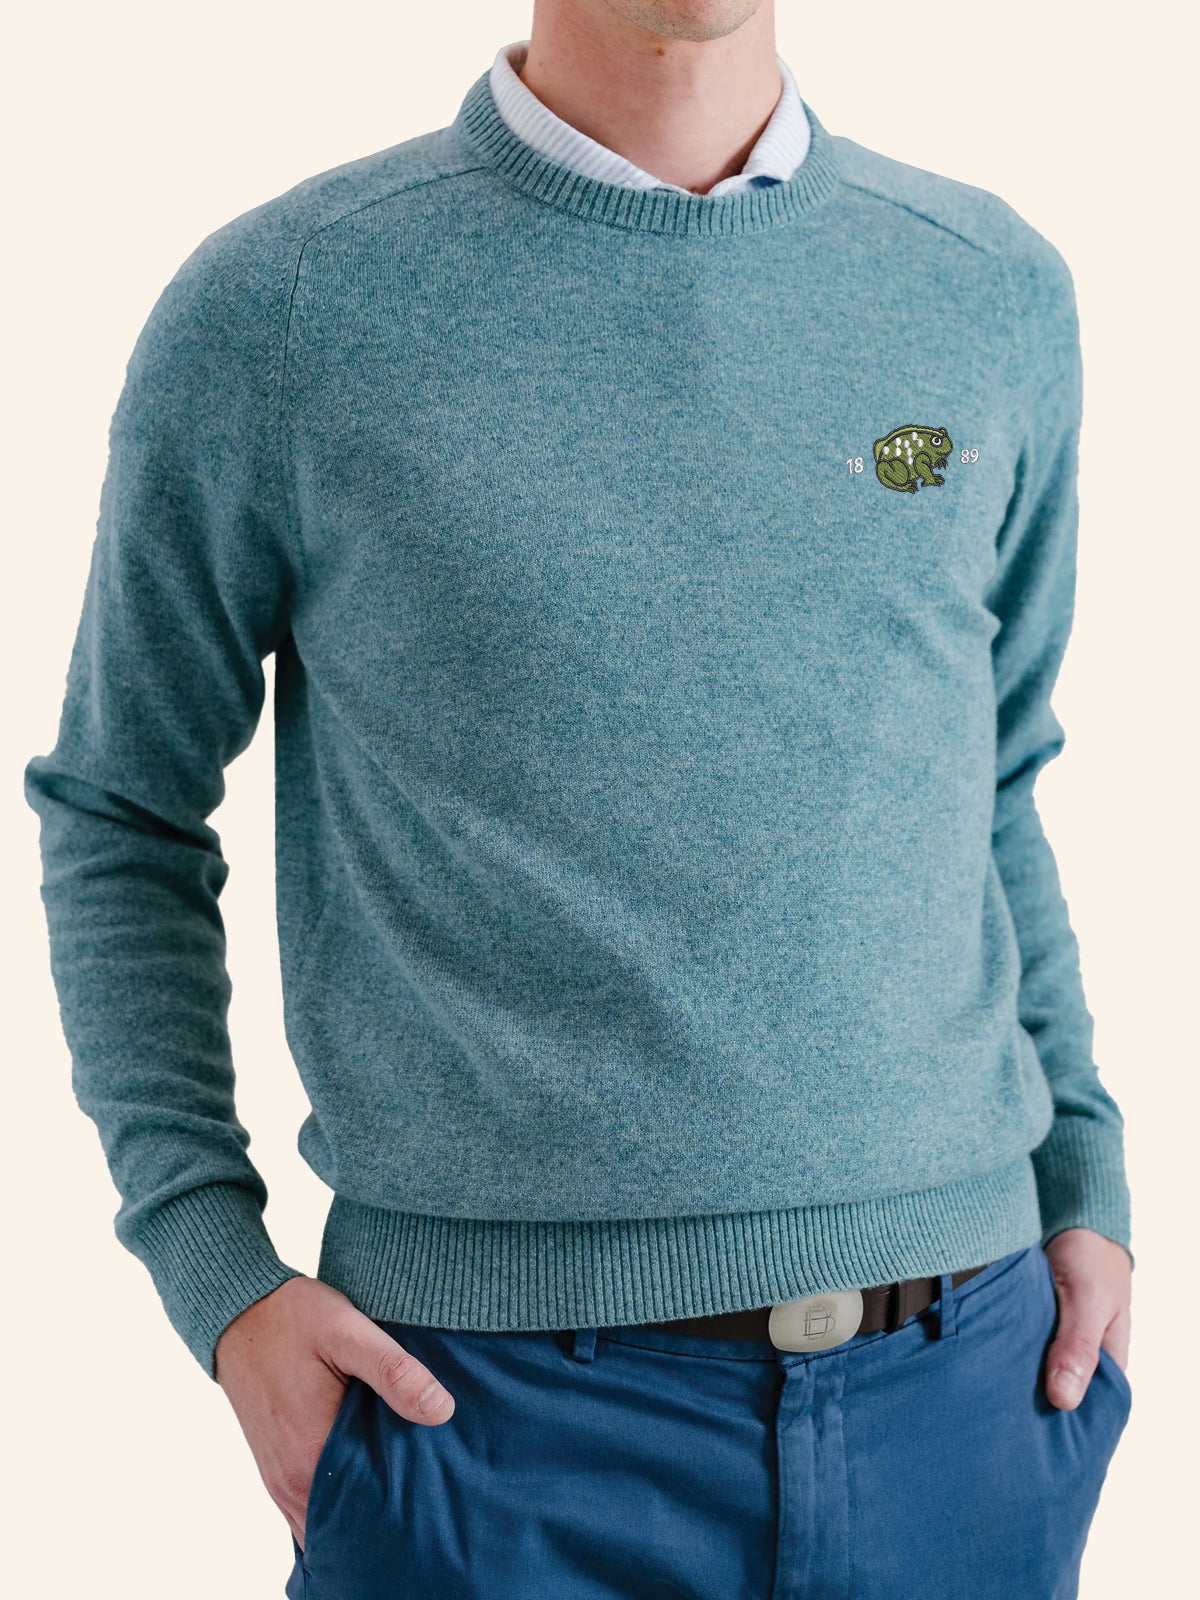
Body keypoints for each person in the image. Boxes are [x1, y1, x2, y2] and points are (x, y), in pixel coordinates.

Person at [24, 1, 1135, 1595]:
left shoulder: (986, 286)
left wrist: (1086, 1176)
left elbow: (999, 778)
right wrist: (218, 1273)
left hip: (967, 1393)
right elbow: (124, 809)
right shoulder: (285, 308)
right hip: (488, 1424)